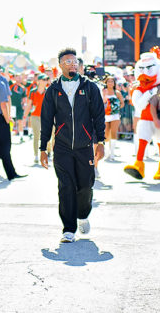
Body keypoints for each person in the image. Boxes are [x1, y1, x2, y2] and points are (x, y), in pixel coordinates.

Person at [39, 48, 105, 243]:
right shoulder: (53, 89)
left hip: (85, 146)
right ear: (60, 65)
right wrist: (43, 148)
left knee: (85, 185)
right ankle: (68, 228)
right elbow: (46, 119)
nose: (73, 64)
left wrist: (100, 142)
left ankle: (83, 215)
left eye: (75, 61)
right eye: (68, 61)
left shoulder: (90, 87)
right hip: (62, 146)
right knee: (65, 186)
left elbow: (99, 116)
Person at [23, 74, 50, 164]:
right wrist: (24, 117)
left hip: (46, 117)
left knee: (47, 136)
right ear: (38, 81)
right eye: (43, 79)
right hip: (35, 116)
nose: (45, 81)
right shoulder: (33, 92)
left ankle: (47, 152)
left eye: (46, 79)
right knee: (36, 136)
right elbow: (29, 105)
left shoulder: (48, 92)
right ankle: (36, 155)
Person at [102, 75, 124, 162]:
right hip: (106, 115)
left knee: (114, 133)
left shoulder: (117, 92)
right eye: (108, 81)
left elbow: (122, 103)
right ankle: (107, 153)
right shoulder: (104, 91)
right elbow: (101, 102)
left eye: (112, 81)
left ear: (114, 83)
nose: (110, 83)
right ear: (106, 82)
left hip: (115, 116)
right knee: (106, 134)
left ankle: (112, 154)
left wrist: (116, 107)